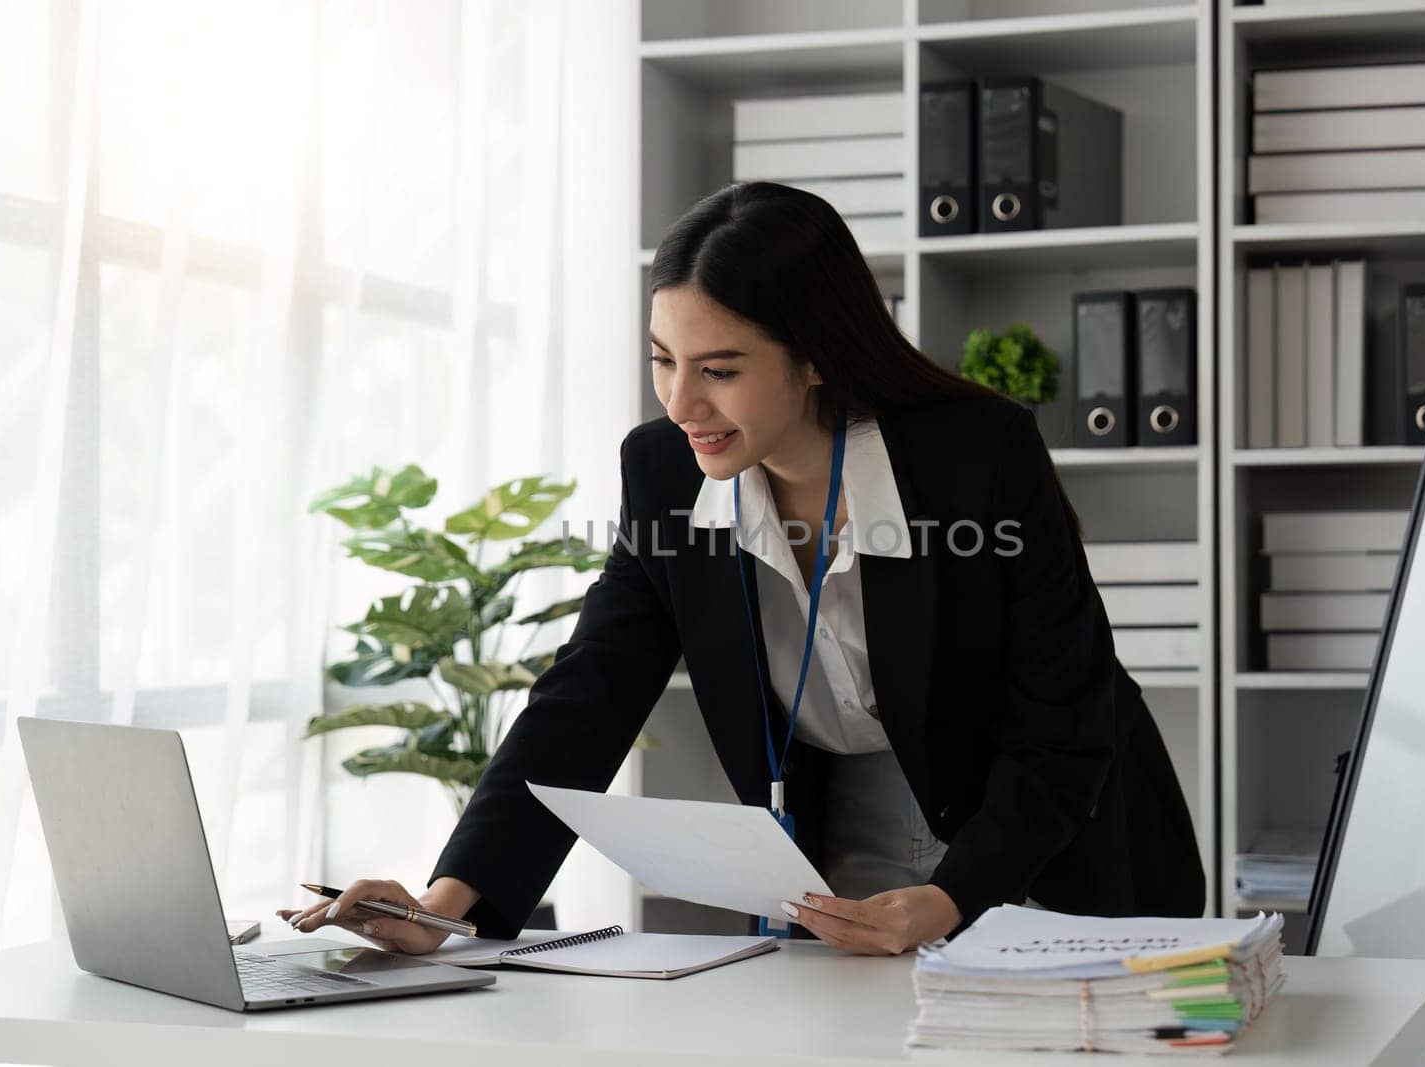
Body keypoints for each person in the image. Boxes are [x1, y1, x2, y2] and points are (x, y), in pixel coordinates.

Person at [280, 181, 1205, 956]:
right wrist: (450, 901)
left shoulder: (977, 456)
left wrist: (953, 894)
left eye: (719, 368)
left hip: (1046, 819)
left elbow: (1063, 719)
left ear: (814, 358)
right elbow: (589, 690)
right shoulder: (663, 469)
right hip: (847, 818)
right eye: (662, 360)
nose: (683, 402)